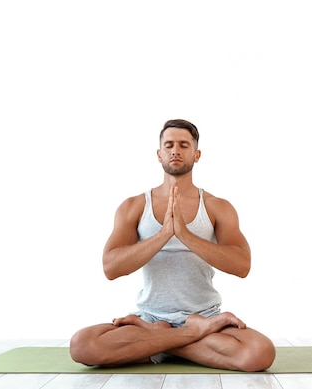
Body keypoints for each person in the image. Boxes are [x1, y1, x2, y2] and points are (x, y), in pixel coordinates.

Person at [69, 119, 276, 372]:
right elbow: (110, 268)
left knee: (260, 352)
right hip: (152, 318)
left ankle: (158, 343)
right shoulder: (133, 206)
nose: (175, 150)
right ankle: (189, 338)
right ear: (159, 154)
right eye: (169, 145)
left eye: (183, 145)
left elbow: (242, 265)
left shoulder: (217, 206)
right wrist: (164, 234)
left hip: (204, 315)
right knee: (82, 345)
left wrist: (185, 235)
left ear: (196, 154)